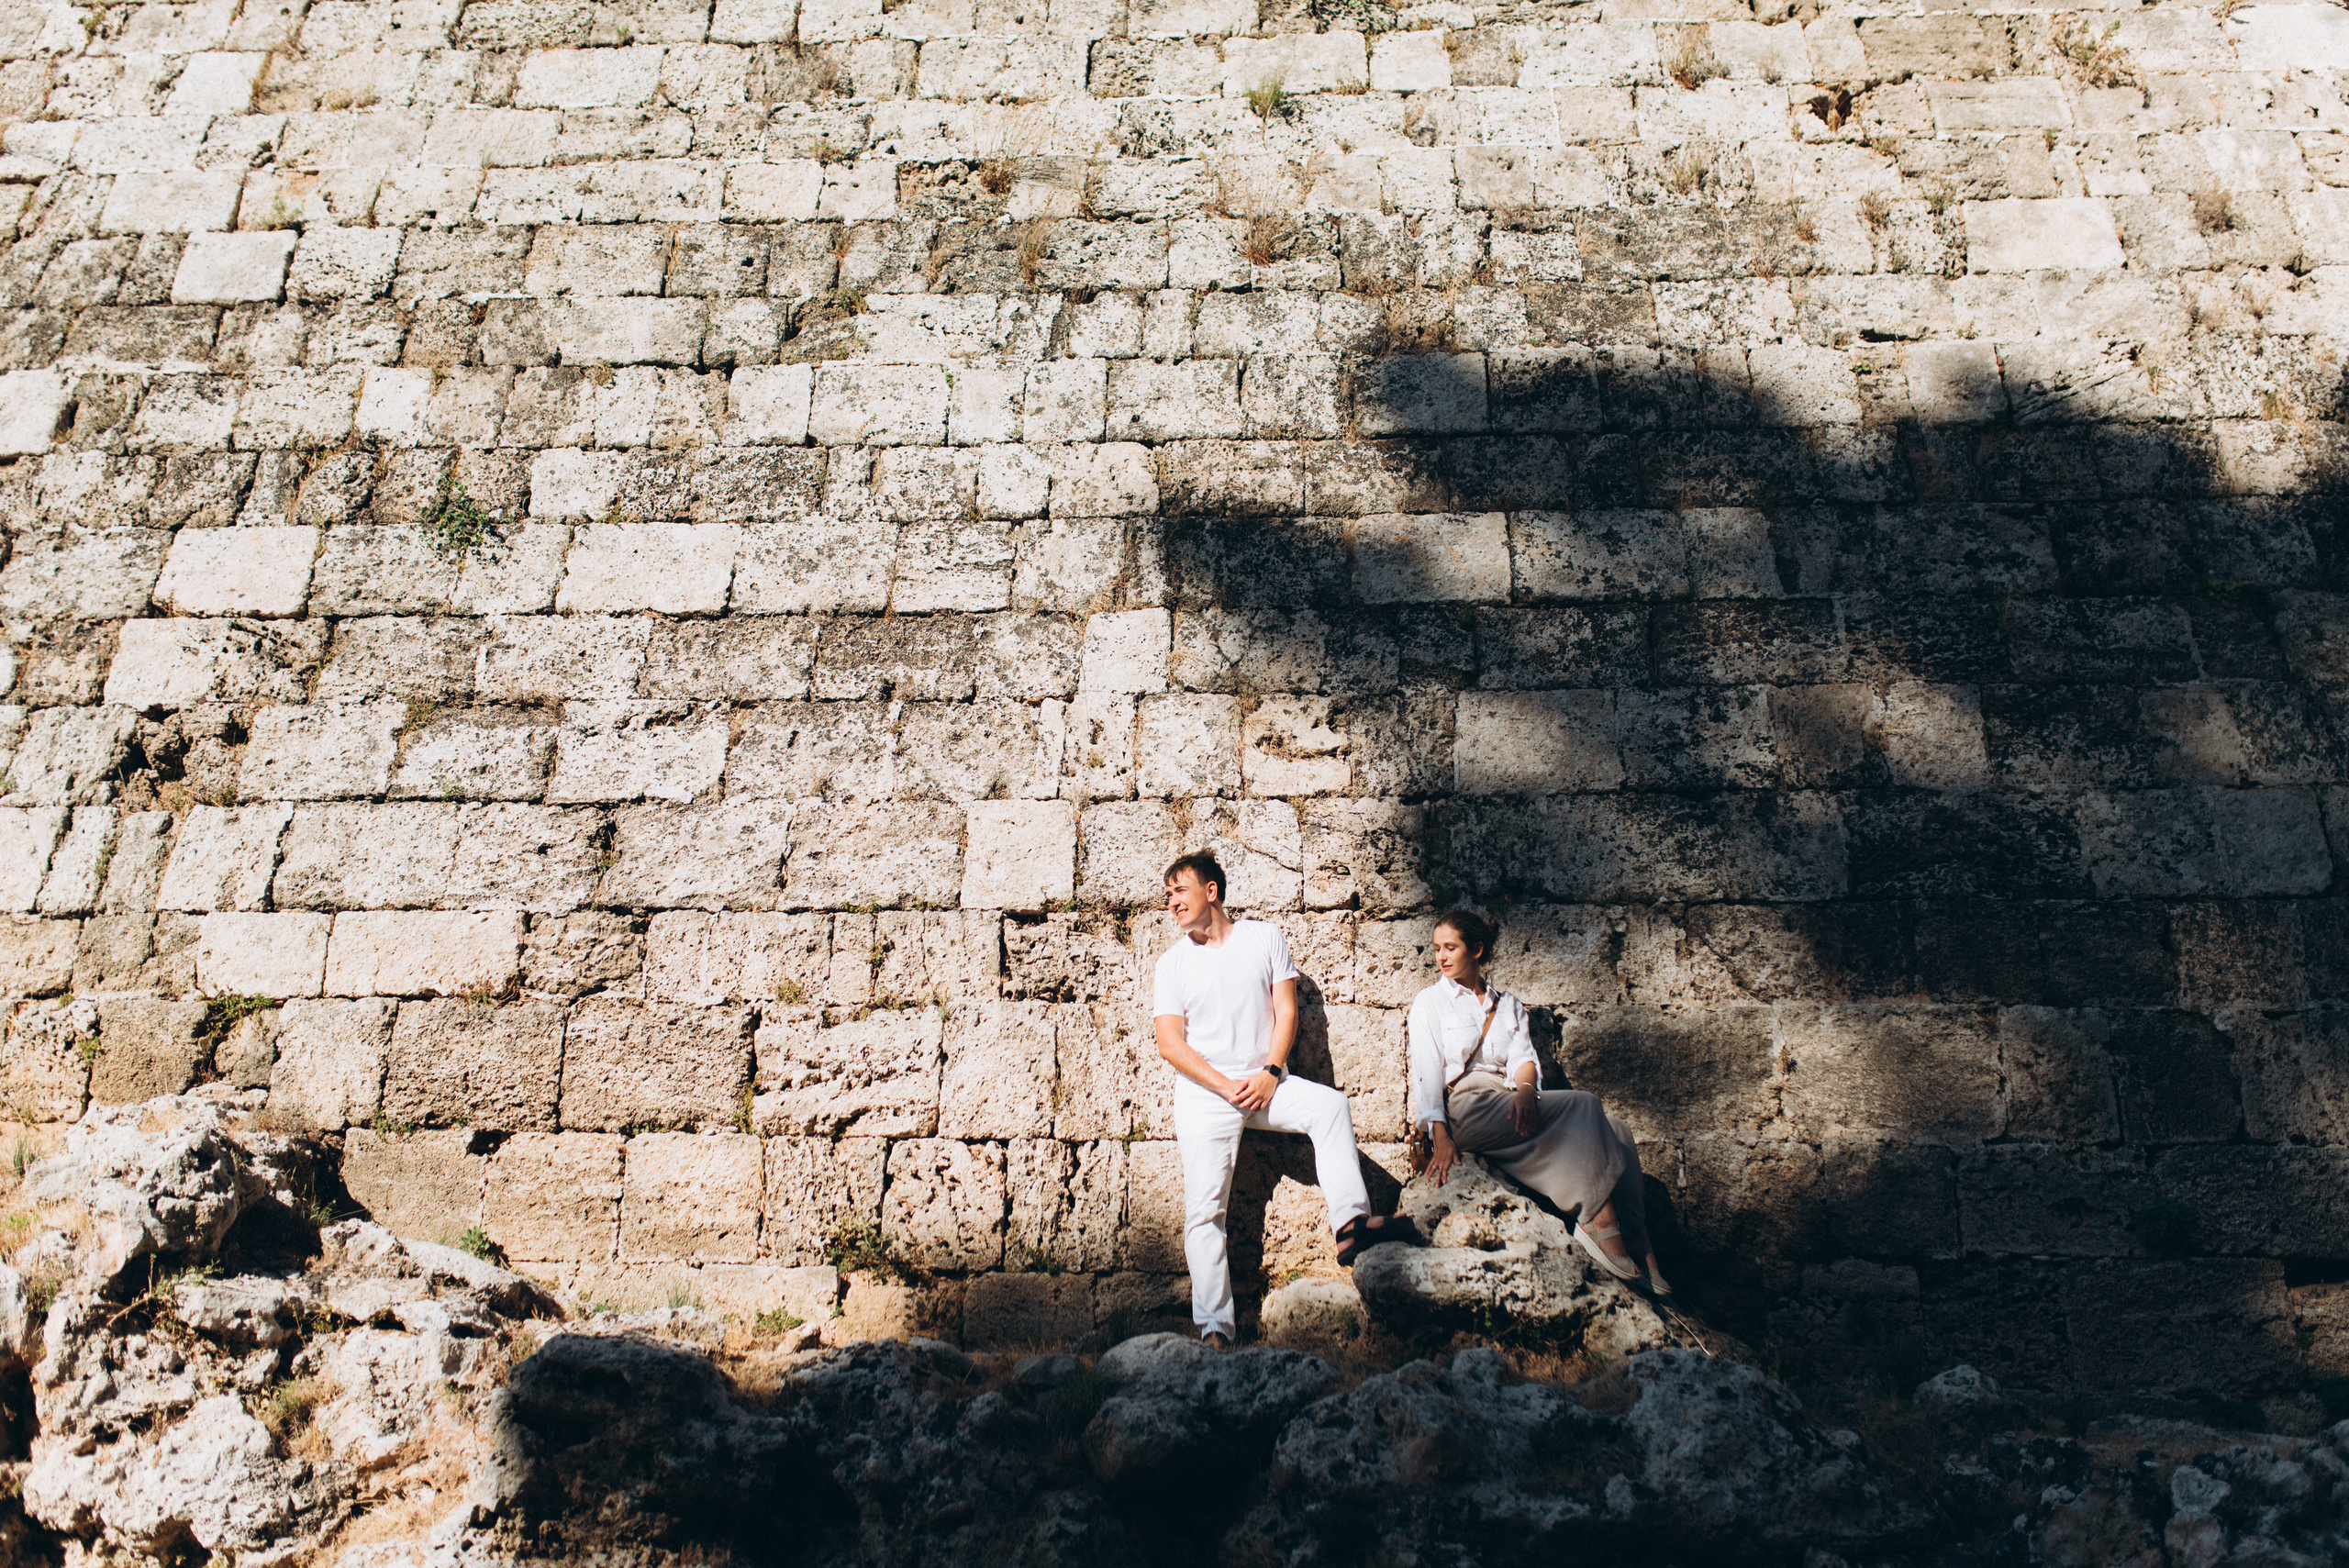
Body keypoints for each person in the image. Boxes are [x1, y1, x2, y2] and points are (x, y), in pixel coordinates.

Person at [1152, 851, 1418, 1349]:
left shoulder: (1263, 938)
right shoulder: (1172, 964)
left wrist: (1272, 1071)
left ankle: (1351, 1224)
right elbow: (1171, 1044)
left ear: (1211, 892)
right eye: (1167, 894)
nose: (1172, 902)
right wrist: (1223, 1085)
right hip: (1207, 1097)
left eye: (1179, 891)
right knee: (1204, 1211)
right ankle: (1215, 1328)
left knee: (1330, 1107)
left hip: (1266, 1085)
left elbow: (1286, 1010)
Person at [1409, 908, 1671, 1296]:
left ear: (1477, 950)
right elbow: (1427, 1071)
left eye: (1451, 948)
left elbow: (1523, 1059)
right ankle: (1598, 1222)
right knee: (1585, 1105)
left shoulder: (1507, 1003)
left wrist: (1528, 1090)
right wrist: (1439, 1134)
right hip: (1468, 1106)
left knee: (1619, 1131)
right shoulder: (1430, 1002)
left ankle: (1638, 1240)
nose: (1441, 957)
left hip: (1509, 1099)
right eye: (1437, 949)